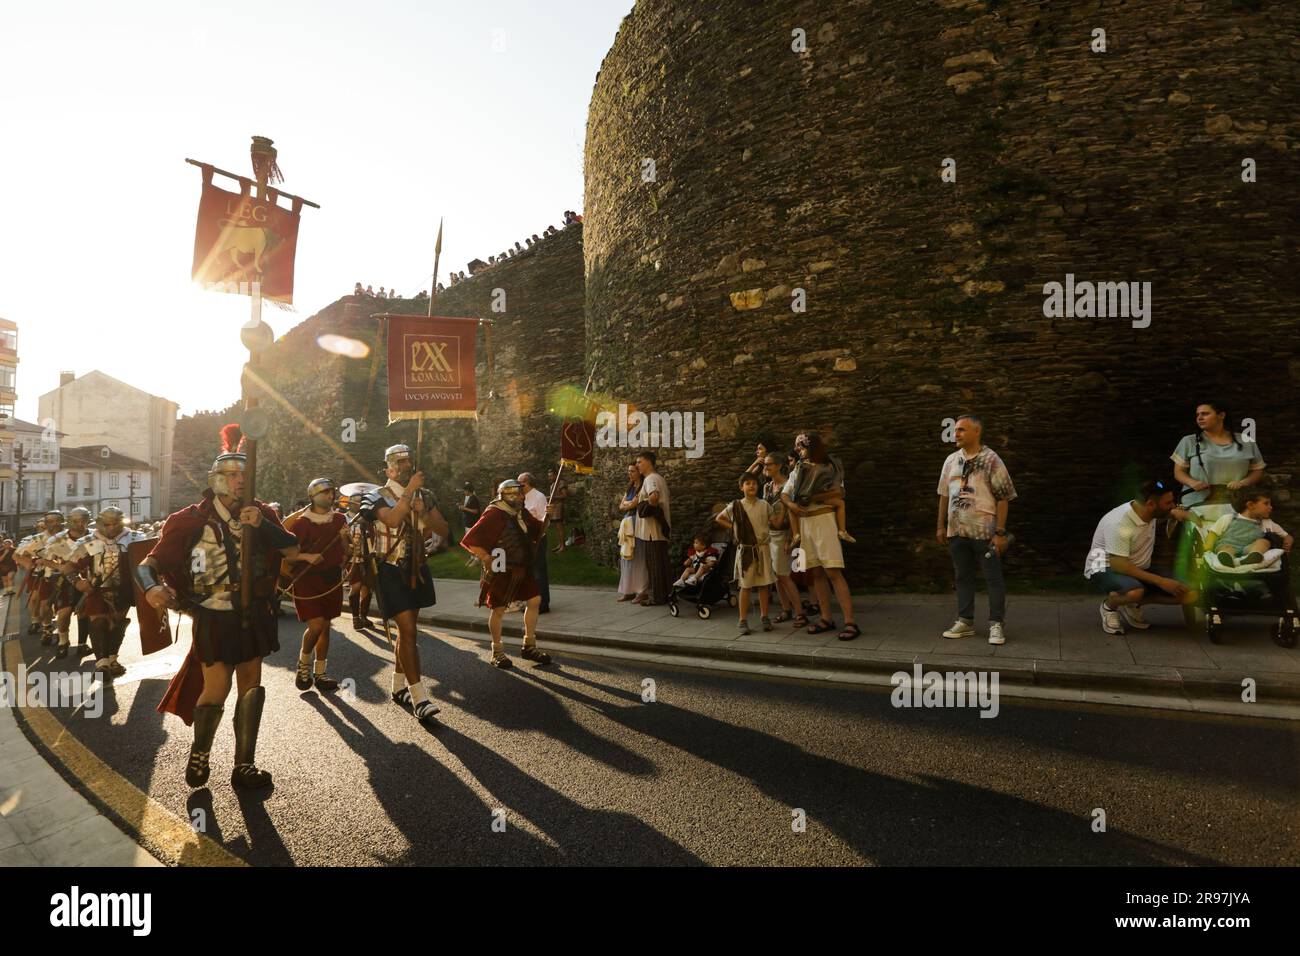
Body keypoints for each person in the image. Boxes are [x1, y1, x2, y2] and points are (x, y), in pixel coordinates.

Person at [138, 424, 305, 790]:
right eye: (231, 474)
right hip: (212, 611)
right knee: (215, 687)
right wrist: (152, 589)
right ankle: (200, 755)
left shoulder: (262, 512)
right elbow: (148, 563)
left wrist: (262, 526)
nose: (240, 481)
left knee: (252, 686)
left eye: (245, 474)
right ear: (216, 479)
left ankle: (244, 764)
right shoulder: (188, 520)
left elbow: (291, 549)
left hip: (256, 610)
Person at [358, 444, 449, 725]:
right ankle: (420, 698)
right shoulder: (375, 497)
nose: (405, 466)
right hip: (389, 570)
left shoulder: (424, 496)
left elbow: (444, 531)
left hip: (416, 569)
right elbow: (393, 519)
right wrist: (409, 493)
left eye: (408, 462)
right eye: (399, 462)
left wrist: (424, 511)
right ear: (388, 469)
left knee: (407, 632)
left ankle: (398, 686)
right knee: (408, 630)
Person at [935, 414, 1016, 646]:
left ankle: (996, 624)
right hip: (956, 530)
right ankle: (965, 621)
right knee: (962, 576)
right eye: (956, 429)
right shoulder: (951, 460)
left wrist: (1000, 532)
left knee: (993, 578)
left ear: (976, 432)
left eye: (961, 430)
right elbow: (943, 494)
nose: (956, 433)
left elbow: (1003, 498)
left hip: (985, 532)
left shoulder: (991, 459)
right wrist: (940, 525)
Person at [1085, 479, 1200, 635]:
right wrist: (1161, 581)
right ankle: (1109, 606)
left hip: (1136, 566)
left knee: (1189, 593)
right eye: (1169, 503)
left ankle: (1132, 603)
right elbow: (1119, 565)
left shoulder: (1147, 511)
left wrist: (1177, 512)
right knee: (1135, 592)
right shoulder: (1119, 523)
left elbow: (1168, 512)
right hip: (1103, 566)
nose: (1173, 505)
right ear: (1151, 504)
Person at [460, 479, 551, 668]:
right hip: (501, 566)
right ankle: (498, 651)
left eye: (521, 493)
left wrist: (547, 518)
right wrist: (485, 557)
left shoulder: (520, 512)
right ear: (506, 495)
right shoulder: (494, 513)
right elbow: (471, 539)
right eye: (517, 494)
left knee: (534, 600)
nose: (521, 497)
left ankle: (528, 645)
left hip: (522, 566)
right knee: (499, 609)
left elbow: (537, 531)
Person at [782, 433, 858, 639]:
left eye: (801, 446)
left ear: (811, 446)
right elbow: (785, 493)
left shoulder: (829, 467)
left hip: (823, 520)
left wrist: (813, 497)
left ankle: (850, 622)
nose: (798, 450)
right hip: (805, 524)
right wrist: (792, 506)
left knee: (833, 571)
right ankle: (826, 618)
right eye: (796, 447)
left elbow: (839, 493)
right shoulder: (798, 470)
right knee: (816, 574)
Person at [285, 479, 348, 692]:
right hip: (307, 579)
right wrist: (307, 556)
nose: (331, 496)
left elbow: (346, 552)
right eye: (326, 492)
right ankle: (303, 665)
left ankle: (320, 673)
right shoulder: (301, 524)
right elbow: (287, 556)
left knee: (326, 628)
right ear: (313, 496)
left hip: (331, 578)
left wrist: (346, 539)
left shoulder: (339, 519)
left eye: (332, 492)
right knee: (316, 626)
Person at [67, 506, 142, 678]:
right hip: (97, 590)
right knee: (98, 623)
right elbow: (68, 567)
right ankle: (102, 664)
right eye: (108, 524)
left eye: (116, 523)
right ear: (100, 523)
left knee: (117, 624)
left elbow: (146, 562)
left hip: (124, 590)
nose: (112, 528)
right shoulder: (87, 541)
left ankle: (113, 659)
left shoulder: (135, 538)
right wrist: (78, 582)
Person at [1172, 402, 1266, 507]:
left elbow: (1257, 470)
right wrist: (1192, 482)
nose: (1200, 418)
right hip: (1197, 505)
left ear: (1221, 415)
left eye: (1205, 414)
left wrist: (1242, 483)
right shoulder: (1189, 441)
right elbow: (1179, 472)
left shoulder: (1246, 441)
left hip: (1236, 504)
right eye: (1198, 415)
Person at [716, 473, 776, 633]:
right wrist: (735, 529)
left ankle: (765, 617)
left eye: (754, 483)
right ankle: (742, 620)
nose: (751, 486)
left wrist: (784, 508)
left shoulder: (764, 505)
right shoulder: (736, 506)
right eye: (747, 483)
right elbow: (719, 518)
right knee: (745, 586)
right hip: (746, 551)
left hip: (762, 549)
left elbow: (775, 521)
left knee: (764, 585)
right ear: (741, 487)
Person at [43, 507, 93, 659]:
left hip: (90, 579)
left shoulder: (96, 536)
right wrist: (60, 567)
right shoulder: (57, 540)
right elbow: (44, 559)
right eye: (76, 521)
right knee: (64, 613)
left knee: (85, 613)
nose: (80, 524)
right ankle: (63, 642)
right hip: (65, 580)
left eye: (83, 521)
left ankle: (82, 644)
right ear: (70, 522)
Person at [1204, 487, 1293, 567]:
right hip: (1229, 545)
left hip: (1249, 548)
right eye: (1266, 504)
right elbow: (1213, 534)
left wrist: (1287, 544)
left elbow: (1287, 536)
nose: (1271, 507)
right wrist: (1207, 549)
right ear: (1251, 505)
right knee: (1225, 548)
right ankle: (1227, 558)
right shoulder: (1229, 518)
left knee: (1264, 542)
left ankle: (1253, 556)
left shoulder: (1266, 523)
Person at [760, 454, 800, 623]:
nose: (765, 467)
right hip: (769, 535)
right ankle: (785, 609)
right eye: (764, 465)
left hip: (782, 534)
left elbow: (793, 513)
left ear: (778, 465)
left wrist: (790, 538)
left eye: (768, 464)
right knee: (776, 575)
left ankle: (800, 613)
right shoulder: (767, 487)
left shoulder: (788, 486)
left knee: (784, 574)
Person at [632, 451, 672, 606]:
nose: (637, 465)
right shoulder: (658, 478)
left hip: (652, 531)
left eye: (639, 462)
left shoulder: (651, 478)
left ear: (649, 462)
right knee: (661, 563)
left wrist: (644, 507)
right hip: (657, 531)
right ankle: (666, 594)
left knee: (654, 564)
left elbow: (654, 497)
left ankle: (657, 597)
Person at [518, 473, 551, 613]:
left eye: (519, 483)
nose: (518, 486)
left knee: (539, 572)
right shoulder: (521, 497)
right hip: (524, 540)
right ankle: (530, 601)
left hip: (537, 539)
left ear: (527, 483)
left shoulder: (539, 497)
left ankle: (543, 604)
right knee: (528, 573)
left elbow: (545, 520)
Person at [616, 464, 647, 602]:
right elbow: (621, 505)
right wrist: (628, 504)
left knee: (638, 556)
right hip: (627, 522)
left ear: (639, 472)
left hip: (637, 522)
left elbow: (634, 504)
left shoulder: (642, 487)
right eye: (629, 471)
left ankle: (641, 590)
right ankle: (628, 590)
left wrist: (627, 504)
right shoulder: (630, 487)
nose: (630, 474)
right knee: (626, 557)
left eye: (633, 471)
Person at [344, 494, 374, 629]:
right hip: (352, 557)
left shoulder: (367, 518)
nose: (357, 504)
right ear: (350, 503)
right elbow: (343, 537)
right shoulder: (344, 518)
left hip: (367, 556)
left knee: (367, 587)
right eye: (355, 502)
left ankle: (364, 616)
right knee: (355, 586)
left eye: (360, 502)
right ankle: (355, 618)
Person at [546, 468, 569, 552]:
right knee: (556, 527)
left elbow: (564, 495)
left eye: (551, 476)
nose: (550, 478)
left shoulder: (561, 483)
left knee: (560, 527)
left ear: (556, 475)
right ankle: (560, 544)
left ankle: (563, 546)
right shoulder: (553, 484)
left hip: (559, 507)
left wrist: (551, 497)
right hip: (554, 507)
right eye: (549, 476)